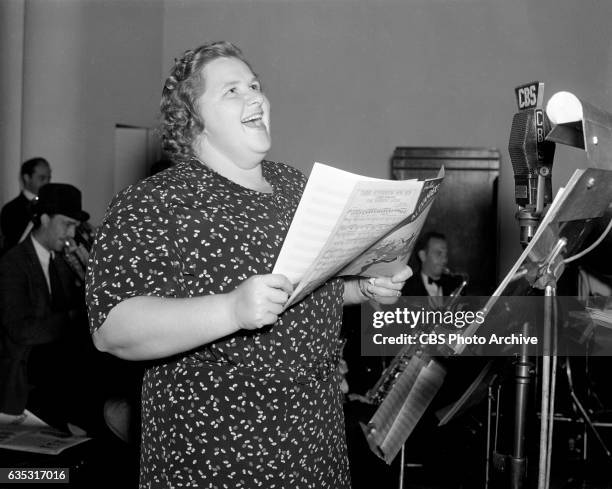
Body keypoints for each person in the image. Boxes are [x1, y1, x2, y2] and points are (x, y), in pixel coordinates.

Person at [86, 41, 411, 488]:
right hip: (217, 461)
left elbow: (304, 288)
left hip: (316, 451)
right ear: (192, 117)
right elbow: (113, 329)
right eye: (232, 90)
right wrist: (232, 309)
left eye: (255, 85)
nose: (255, 96)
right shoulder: (156, 201)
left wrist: (360, 289)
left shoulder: (294, 186)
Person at [0, 183, 93, 430]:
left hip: (57, 378)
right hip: (25, 383)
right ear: (43, 218)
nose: (72, 234)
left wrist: (87, 276)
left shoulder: (62, 260)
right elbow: (21, 330)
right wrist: (76, 318)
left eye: (75, 226)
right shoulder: (13, 264)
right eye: (67, 224)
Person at [0, 157, 51, 254]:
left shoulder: (50, 205)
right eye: (42, 178)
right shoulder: (11, 209)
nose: (47, 183)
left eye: (49, 178)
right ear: (27, 178)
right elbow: (14, 244)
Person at [401, 231, 463, 298]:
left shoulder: (456, 284)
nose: (445, 260)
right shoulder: (406, 288)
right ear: (423, 255)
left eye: (446, 254)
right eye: (439, 253)